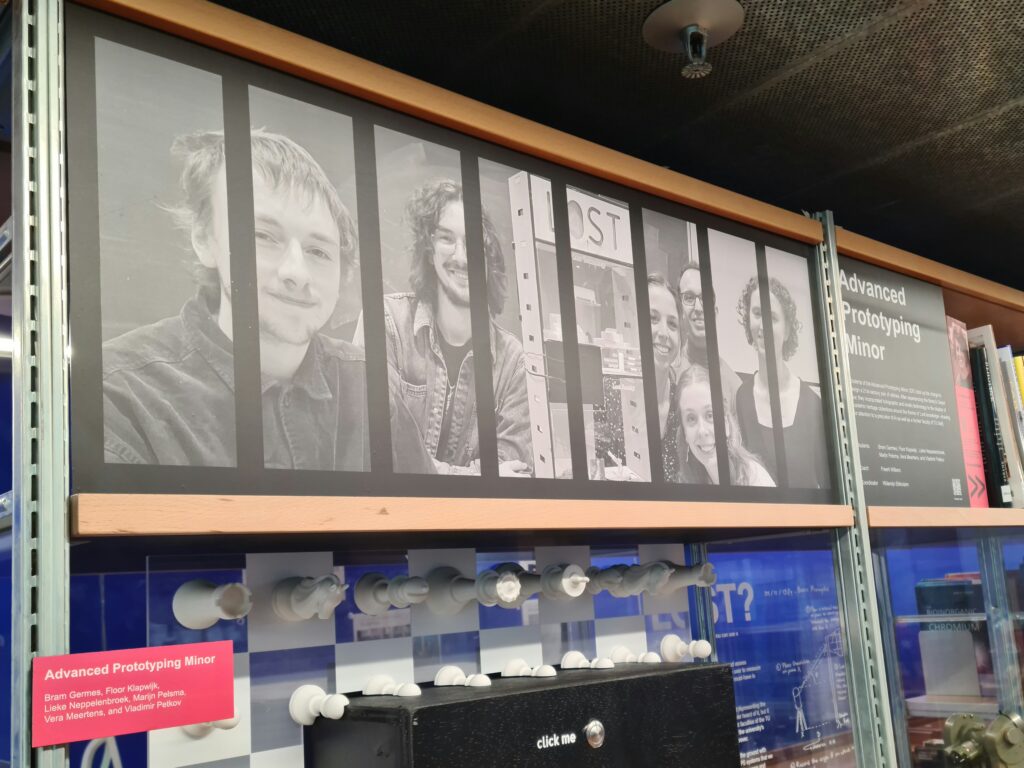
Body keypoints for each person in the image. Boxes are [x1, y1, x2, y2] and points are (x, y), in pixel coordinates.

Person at [102, 129, 433, 474]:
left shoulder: (371, 387)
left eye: (318, 251)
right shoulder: (120, 396)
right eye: (263, 236)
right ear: (204, 239)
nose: (297, 273)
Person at [380, 178, 532, 476]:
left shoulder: (513, 362)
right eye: (447, 238)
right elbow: (381, 452)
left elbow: (513, 471)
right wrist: (472, 475)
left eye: (473, 242)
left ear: (488, 257)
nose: (461, 257)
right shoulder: (387, 323)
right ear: (429, 249)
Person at [733, 275, 830, 488]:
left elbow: (827, 485)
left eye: (773, 317)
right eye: (757, 314)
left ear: (787, 330)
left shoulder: (813, 405)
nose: (763, 326)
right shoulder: (742, 398)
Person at [675, 365, 774, 486]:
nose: (702, 431)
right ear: (684, 432)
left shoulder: (756, 481)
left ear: (726, 422)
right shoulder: (685, 482)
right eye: (691, 418)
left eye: (710, 415)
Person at [675, 262, 742, 407]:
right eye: (689, 297)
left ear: (715, 313)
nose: (698, 308)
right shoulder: (669, 377)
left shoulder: (736, 389)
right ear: (679, 311)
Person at [648, 273, 682, 482]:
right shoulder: (612, 397)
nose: (664, 333)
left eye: (672, 324)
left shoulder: (683, 404)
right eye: (652, 319)